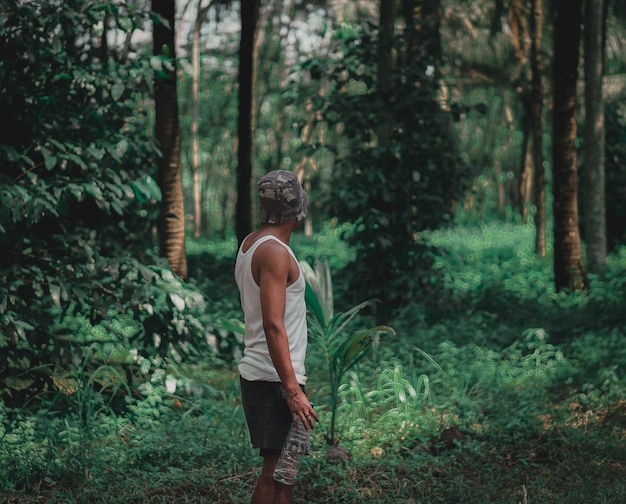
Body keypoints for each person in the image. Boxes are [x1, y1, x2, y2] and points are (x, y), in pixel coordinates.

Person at [235, 170, 319, 504]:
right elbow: (273, 324)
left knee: (285, 476)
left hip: (274, 378)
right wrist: (292, 390)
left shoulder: (251, 243)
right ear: (298, 210)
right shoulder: (274, 253)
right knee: (275, 476)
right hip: (275, 382)